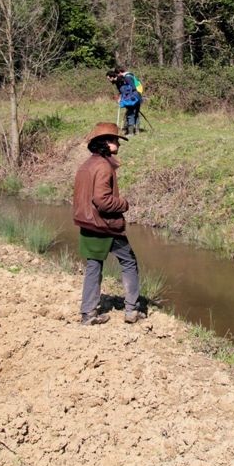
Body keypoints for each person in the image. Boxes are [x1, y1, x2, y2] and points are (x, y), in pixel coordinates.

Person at [72, 122, 145, 325]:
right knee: (129, 262)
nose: (118, 144)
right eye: (114, 140)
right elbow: (102, 200)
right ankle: (131, 310)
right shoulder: (104, 166)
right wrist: (124, 204)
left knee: (93, 267)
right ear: (104, 143)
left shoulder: (87, 164)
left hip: (87, 224)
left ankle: (88, 314)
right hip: (103, 225)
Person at [107, 67, 142, 135]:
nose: (108, 80)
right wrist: (120, 98)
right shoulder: (120, 80)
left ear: (112, 77)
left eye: (108, 78)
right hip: (136, 97)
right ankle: (137, 131)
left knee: (130, 114)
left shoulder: (123, 79)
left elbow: (130, 89)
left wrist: (129, 98)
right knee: (135, 113)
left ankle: (131, 133)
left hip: (132, 98)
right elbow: (122, 91)